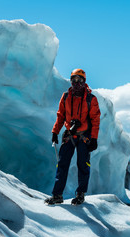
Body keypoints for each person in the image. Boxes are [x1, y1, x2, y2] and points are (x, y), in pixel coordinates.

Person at [45, 68, 101, 205]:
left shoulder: (90, 99)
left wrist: (94, 138)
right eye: (74, 80)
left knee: (83, 165)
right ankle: (57, 195)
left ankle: (80, 195)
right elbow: (60, 116)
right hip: (69, 135)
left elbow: (95, 119)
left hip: (84, 136)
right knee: (62, 165)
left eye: (80, 80)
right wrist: (55, 132)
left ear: (84, 81)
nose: (77, 83)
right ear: (71, 81)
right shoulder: (65, 97)